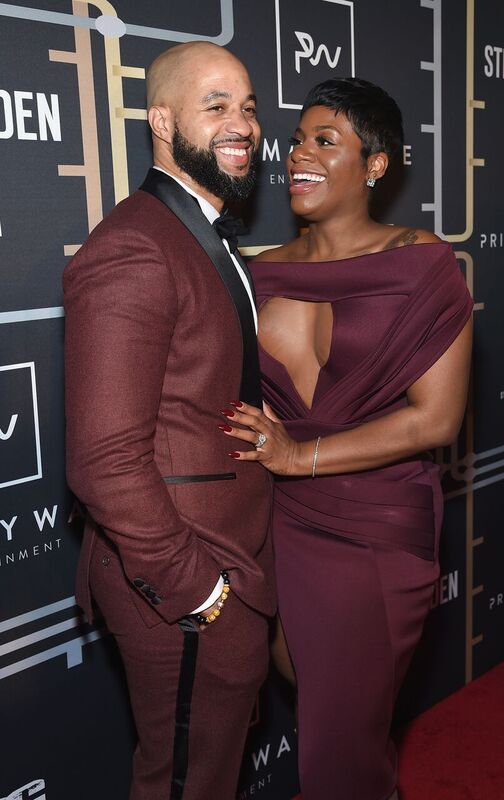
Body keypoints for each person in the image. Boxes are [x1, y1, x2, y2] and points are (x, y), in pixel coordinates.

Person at [219, 78, 473, 800]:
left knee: (340, 745)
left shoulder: (422, 263)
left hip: (379, 526)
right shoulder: (255, 271)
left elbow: (436, 420)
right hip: (278, 524)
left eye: (325, 141)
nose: (298, 153)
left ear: (376, 164)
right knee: (333, 715)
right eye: (298, 138)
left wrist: (300, 455)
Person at [63, 42, 275, 800]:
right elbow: (102, 462)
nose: (241, 123)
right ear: (160, 120)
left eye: (247, 106)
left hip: (231, 557)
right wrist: (198, 592)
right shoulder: (134, 247)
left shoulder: (203, 235)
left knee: (208, 775)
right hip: (181, 579)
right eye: (215, 105)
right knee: (184, 783)